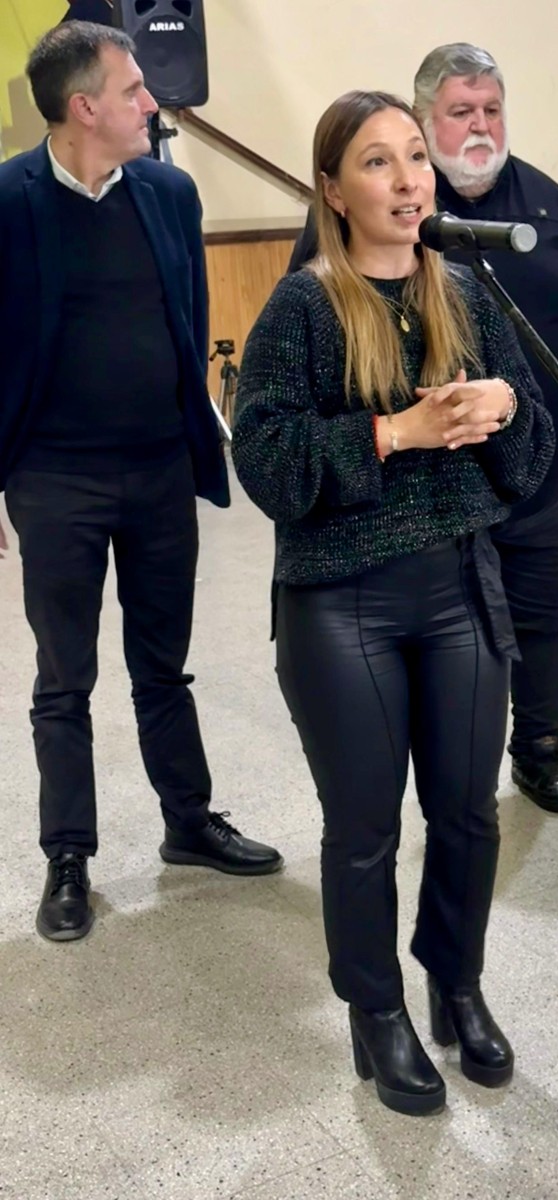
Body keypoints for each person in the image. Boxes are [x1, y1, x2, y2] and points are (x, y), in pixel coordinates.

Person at [232, 90, 554, 1115]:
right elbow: (268, 464)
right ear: (333, 189)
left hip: (462, 588)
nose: (409, 177)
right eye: (379, 162)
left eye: (416, 156)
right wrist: (389, 435)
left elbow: (534, 456)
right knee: (365, 825)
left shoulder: (465, 290)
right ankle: (377, 1010)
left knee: (466, 815)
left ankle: (456, 984)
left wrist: (505, 407)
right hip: (345, 606)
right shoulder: (304, 306)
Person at [0, 22, 282, 944]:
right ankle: (69, 858)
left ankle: (187, 822)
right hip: (54, 480)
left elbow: (189, 318)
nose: (151, 104)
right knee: (63, 678)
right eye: (132, 91)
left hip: (160, 467)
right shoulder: (8, 200)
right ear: (85, 108)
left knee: (163, 664)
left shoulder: (168, 190)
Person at [289, 43, 558, 815]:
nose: (480, 125)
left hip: (538, 470)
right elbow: (313, 347)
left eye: (491, 109)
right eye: (460, 112)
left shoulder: (551, 207)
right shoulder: (366, 226)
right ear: (427, 118)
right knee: (459, 645)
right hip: (430, 494)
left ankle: (540, 749)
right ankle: (458, 768)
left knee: (551, 610)